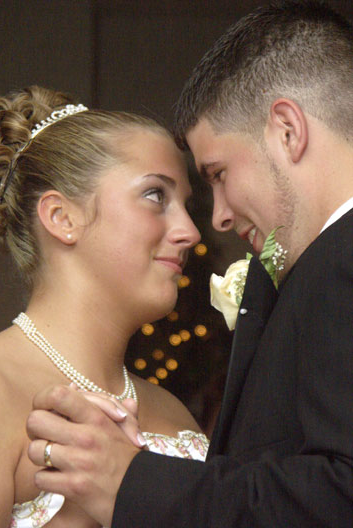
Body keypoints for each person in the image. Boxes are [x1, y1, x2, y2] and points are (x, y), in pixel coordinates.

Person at [26, 1, 353, 526]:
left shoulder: (340, 265)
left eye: (218, 173)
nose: (213, 220)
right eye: (156, 196)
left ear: (288, 130)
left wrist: (134, 483)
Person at [0, 85, 208, 527]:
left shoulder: (173, 412)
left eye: (186, 206)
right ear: (61, 218)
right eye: (155, 196)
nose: (190, 231)